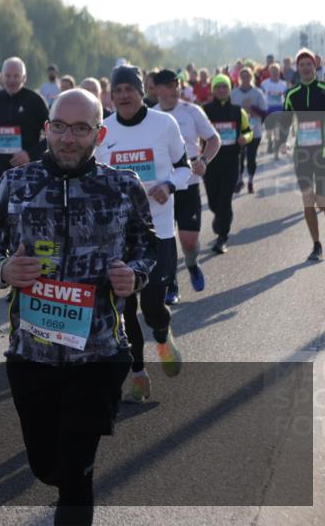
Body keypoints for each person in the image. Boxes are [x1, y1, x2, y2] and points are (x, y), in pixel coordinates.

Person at [0, 89, 157, 526]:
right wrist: (4, 269)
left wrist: (135, 275)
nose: (68, 138)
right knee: (46, 466)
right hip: (31, 355)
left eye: (80, 129)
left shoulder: (122, 187)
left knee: (76, 475)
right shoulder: (16, 184)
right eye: (59, 127)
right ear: (46, 130)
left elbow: (148, 246)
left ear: (100, 134)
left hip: (97, 355)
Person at [97, 66, 189, 403]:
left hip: (158, 232)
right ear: (111, 96)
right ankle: (138, 374)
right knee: (124, 308)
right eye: (117, 90)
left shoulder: (164, 124)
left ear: (141, 91)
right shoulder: (103, 131)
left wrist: (168, 185)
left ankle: (162, 336)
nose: (124, 95)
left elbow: (184, 166)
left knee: (152, 307)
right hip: (119, 236)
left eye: (129, 89)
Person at [153, 70, 220, 305]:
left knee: (189, 241)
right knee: (166, 238)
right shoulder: (151, 116)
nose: (174, 89)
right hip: (162, 187)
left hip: (189, 182)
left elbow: (213, 139)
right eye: (168, 85)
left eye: (176, 85)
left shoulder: (192, 111)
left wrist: (204, 161)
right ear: (156, 89)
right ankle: (171, 283)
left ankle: (192, 263)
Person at [276, 48, 325, 261]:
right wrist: (282, 142)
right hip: (302, 154)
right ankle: (316, 245)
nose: (306, 68)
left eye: (309, 64)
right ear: (297, 69)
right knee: (308, 200)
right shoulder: (292, 94)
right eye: (302, 65)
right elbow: (286, 119)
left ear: (315, 66)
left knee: (322, 201)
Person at [0, 56, 49, 196]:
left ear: (24, 78)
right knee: (0, 207)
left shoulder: (35, 101)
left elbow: (52, 135)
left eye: (16, 76)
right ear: (2, 77)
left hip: (27, 168)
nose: (12, 80)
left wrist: (29, 154)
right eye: (8, 76)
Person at [200, 75, 254, 254]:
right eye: (218, 87)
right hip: (210, 161)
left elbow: (249, 132)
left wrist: (244, 138)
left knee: (225, 199)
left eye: (224, 87)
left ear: (229, 89)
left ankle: (222, 237)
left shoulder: (238, 111)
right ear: (213, 90)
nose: (221, 90)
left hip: (231, 161)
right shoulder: (205, 110)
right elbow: (196, 132)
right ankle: (219, 218)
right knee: (213, 201)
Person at [230, 68, 268, 193]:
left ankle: (250, 181)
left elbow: (264, 112)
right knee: (239, 157)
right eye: (243, 77)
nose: (245, 79)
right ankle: (240, 180)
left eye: (247, 76)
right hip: (239, 130)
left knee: (251, 157)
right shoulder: (234, 93)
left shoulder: (257, 93)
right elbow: (229, 111)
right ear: (239, 78)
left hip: (254, 130)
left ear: (251, 77)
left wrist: (252, 109)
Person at [261, 63, 289, 156]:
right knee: (269, 129)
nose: (275, 73)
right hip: (268, 109)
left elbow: (286, 96)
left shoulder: (283, 84)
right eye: (273, 71)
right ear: (269, 72)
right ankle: (270, 142)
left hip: (279, 109)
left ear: (279, 71)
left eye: (276, 71)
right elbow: (262, 95)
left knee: (277, 129)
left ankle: (276, 147)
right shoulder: (264, 83)